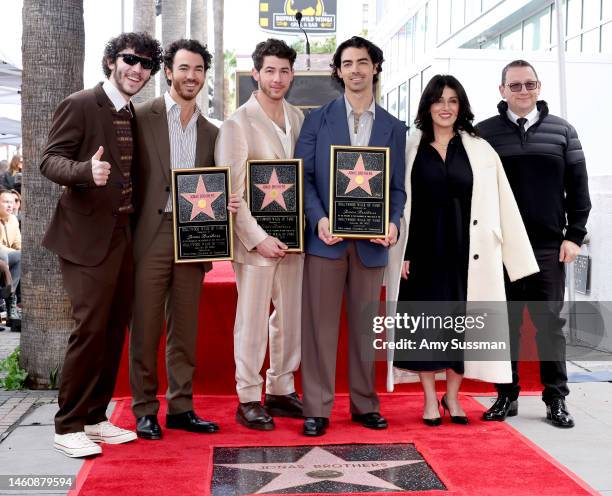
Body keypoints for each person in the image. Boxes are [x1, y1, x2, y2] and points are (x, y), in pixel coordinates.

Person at [385, 75, 539, 426]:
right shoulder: (410, 147)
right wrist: (401, 253)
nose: (445, 107)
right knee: (424, 325)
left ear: (461, 106)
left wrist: (514, 257)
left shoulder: (479, 148)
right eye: (439, 100)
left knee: (461, 325)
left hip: (468, 252)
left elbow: (503, 202)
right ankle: (428, 400)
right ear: (427, 105)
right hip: (421, 251)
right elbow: (399, 202)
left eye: (453, 101)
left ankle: (452, 397)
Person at [40, 32, 163, 458]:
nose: (138, 69)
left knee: (113, 330)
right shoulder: (80, 103)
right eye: (131, 59)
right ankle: (67, 424)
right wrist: (82, 171)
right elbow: (49, 159)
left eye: (147, 65)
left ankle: (94, 418)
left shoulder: (131, 112)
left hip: (122, 236)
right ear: (112, 60)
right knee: (89, 329)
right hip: (84, 239)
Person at [294, 36, 406, 437]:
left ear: (375, 67)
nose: (355, 69)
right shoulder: (317, 119)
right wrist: (318, 217)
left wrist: (392, 222)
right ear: (338, 71)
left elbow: (396, 189)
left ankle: (364, 404)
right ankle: (317, 408)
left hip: (372, 247)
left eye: (363, 62)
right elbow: (303, 176)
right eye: (347, 63)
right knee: (319, 327)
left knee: (364, 328)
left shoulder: (394, 127)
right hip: (326, 241)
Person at [130, 39, 239, 440]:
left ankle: (181, 407)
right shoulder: (141, 117)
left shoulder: (213, 131)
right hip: (151, 234)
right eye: (184, 68)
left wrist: (227, 199)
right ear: (168, 71)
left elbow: (220, 179)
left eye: (198, 70)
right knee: (145, 326)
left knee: (185, 329)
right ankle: (144, 409)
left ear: (205, 76)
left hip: (196, 236)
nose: (191, 76)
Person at [477, 60, 591, 428]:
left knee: (549, 326)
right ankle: (505, 396)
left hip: (547, 247)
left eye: (530, 84)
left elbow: (579, 188)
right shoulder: (484, 134)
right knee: (504, 325)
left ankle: (555, 399)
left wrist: (574, 236)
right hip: (501, 247)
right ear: (502, 90)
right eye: (515, 86)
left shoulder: (563, 132)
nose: (523, 91)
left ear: (539, 87)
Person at [215, 39, 304, 431]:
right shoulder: (237, 123)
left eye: (284, 71)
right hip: (255, 243)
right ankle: (248, 396)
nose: (277, 78)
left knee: (289, 318)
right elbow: (231, 190)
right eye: (269, 70)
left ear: (292, 75)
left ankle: (281, 389)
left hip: (293, 240)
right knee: (251, 321)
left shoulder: (299, 118)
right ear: (255, 73)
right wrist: (256, 237)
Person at [0, 190, 21, 331]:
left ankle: (9, 295)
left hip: (5, 262)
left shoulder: (13, 219)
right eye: (5, 202)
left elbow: (18, 245)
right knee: (2, 253)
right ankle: (7, 295)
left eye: (11, 202)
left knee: (21, 256)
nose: (10, 205)